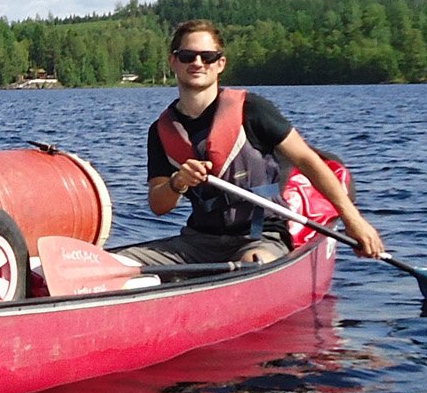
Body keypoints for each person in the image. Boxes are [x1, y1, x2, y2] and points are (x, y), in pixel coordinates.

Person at [118, 19, 387, 266]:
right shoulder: (160, 130)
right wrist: (178, 182)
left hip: (260, 237)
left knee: (251, 261)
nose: (197, 63)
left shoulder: (252, 110)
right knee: (115, 263)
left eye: (208, 56)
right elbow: (158, 205)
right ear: (173, 62)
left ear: (220, 63)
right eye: (187, 56)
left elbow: (307, 160)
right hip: (197, 242)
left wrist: (354, 220)